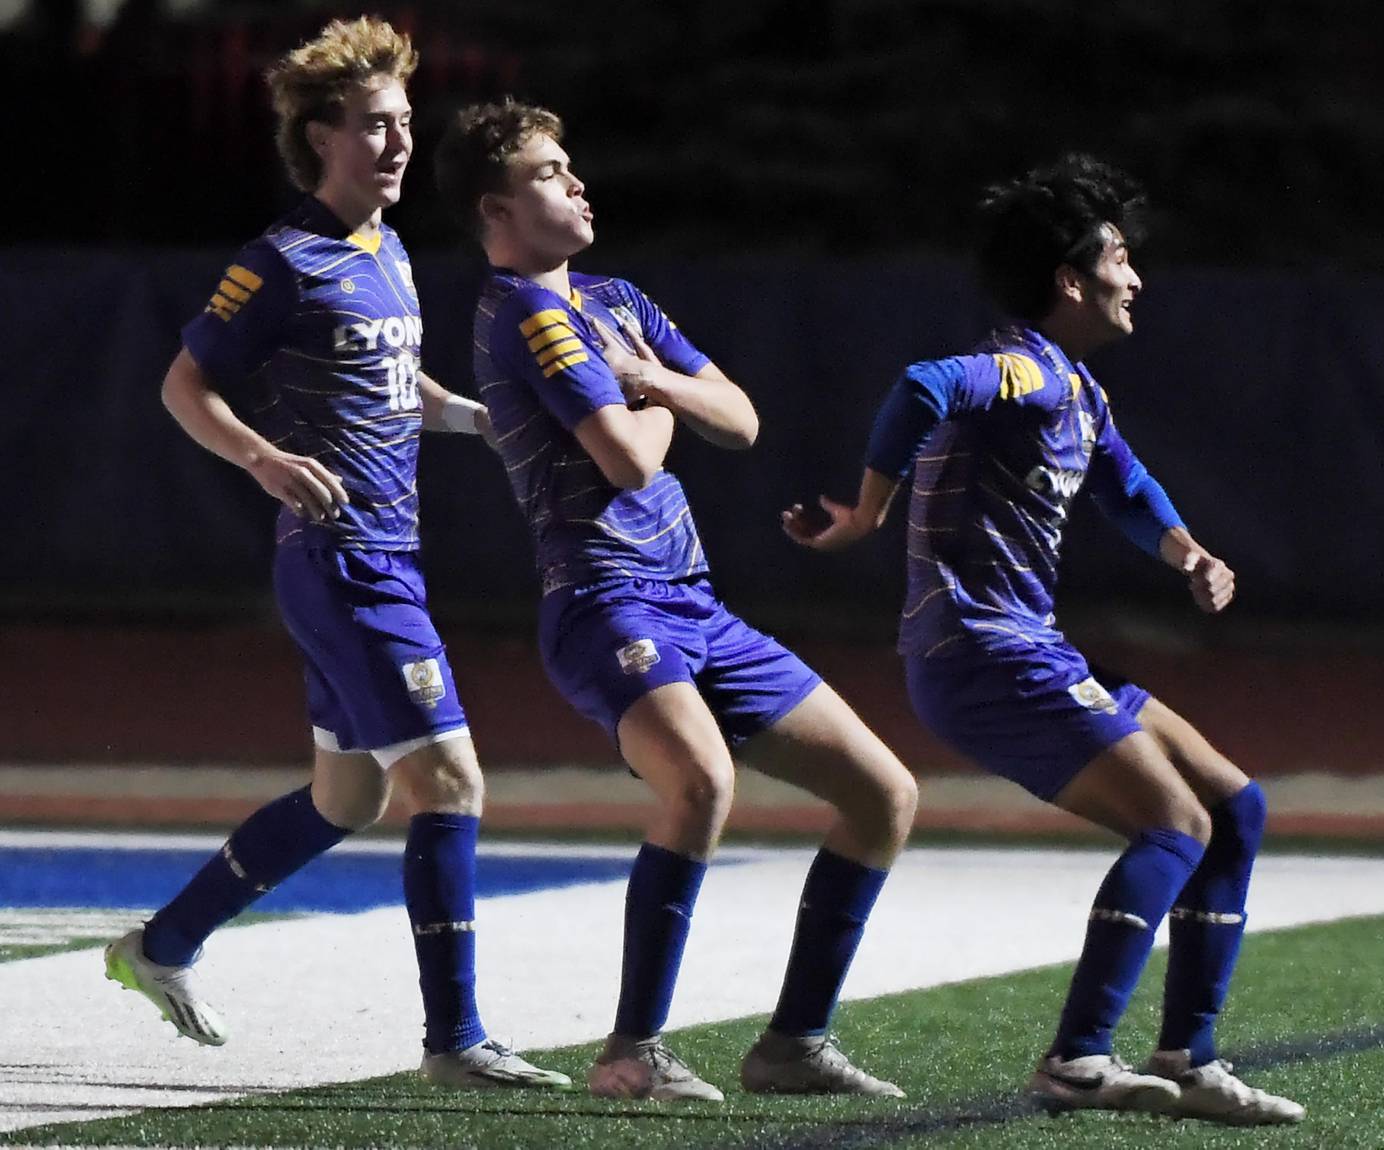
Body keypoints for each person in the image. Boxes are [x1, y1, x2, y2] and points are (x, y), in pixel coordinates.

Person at [783, 154, 1305, 1126]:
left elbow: (1127, 487)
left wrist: (1188, 552)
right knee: (1174, 824)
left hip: (1029, 649)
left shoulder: (1077, 390)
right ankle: (1077, 1058)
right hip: (981, 655)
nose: (1136, 276)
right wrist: (864, 515)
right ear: (1071, 279)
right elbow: (921, 385)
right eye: (1119, 257)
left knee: (1235, 808)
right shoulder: (1024, 365)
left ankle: (1189, 1057)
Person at [102, 17, 569, 1093]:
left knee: (345, 801)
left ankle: (161, 944)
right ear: (318, 136)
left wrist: (495, 418)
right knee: (449, 779)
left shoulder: (386, 249)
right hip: (343, 560)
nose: (400, 143)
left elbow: (413, 394)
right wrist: (264, 459)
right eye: (374, 125)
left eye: (406, 122)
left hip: (384, 559)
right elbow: (185, 386)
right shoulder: (281, 261)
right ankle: (455, 1041)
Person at [432, 99, 919, 1102]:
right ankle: (632, 1051)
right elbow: (620, 463)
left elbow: (740, 418)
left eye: (573, 165)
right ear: (496, 206)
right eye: (550, 172)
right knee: (700, 784)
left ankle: (791, 1044)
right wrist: (658, 406)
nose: (577, 182)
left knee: (885, 795)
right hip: (606, 602)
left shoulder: (617, 298)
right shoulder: (526, 309)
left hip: (694, 602)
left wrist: (646, 378)